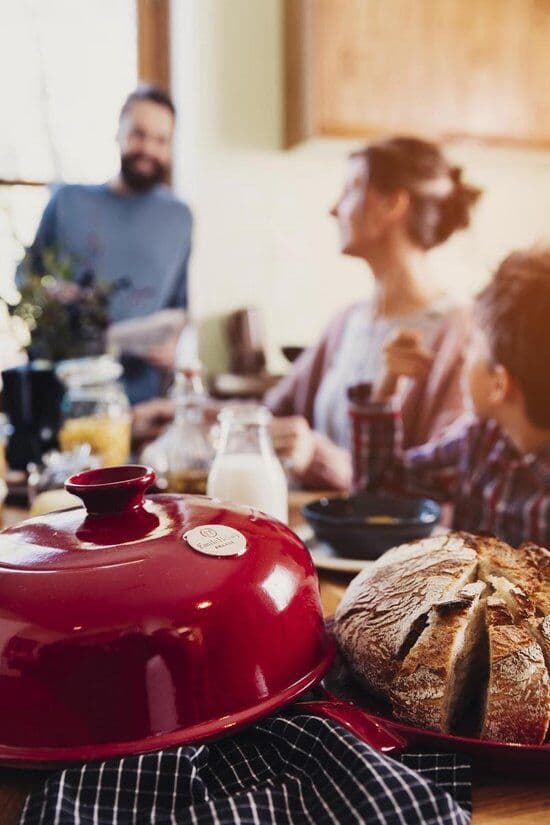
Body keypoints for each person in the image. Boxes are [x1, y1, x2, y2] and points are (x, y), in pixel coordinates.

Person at [266, 136, 481, 490]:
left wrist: (318, 457)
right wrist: (190, 410)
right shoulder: (347, 322)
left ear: (393, 204)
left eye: (351, 189)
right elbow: (272, 411)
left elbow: (442, 483)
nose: (333, 209)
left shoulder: (460, 330)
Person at [20, 85, 193, 404]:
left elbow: (179, 305)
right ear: (119, 133)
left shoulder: (179, 218)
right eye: (138, 134)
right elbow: (27, 279)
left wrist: (173, 346)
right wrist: (53, 292)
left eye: (160, 140)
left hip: (141, 400)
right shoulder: (68, 203)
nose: (148, 148)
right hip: (64, 392)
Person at [367, 248, 550, 548]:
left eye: (473, 345)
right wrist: (386, 386)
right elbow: (383, 489)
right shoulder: (479, 440)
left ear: (499, 384)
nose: (464, 356)